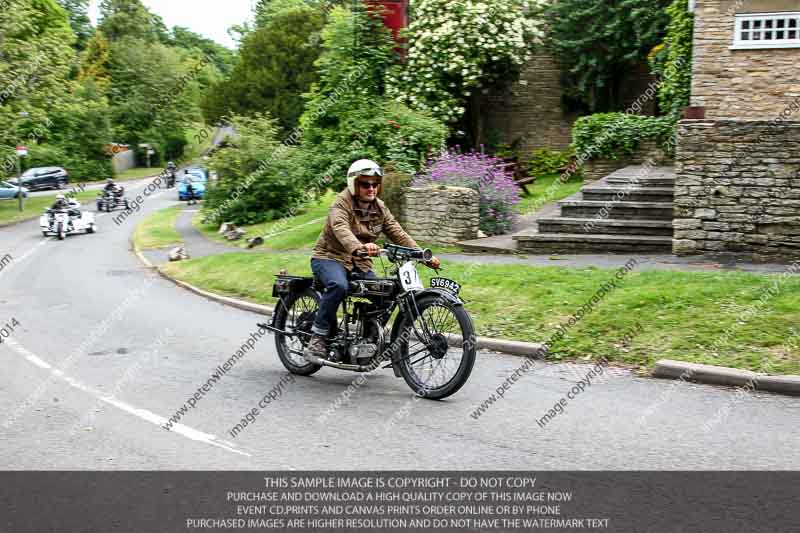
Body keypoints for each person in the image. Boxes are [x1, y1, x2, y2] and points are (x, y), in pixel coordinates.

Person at [304, 159, 441, 361]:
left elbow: (398, 233)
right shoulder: (341, 202)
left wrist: (422, 255)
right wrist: (358, 247)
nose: (371, 188)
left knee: (387, 293)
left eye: (375, 184)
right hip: (329, 257)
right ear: (354, 184)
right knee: (338, 286)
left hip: (360, 263)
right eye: (365, 184)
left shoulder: (380, 208)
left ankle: (369, 335)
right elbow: (340, 228)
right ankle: (318, 337)